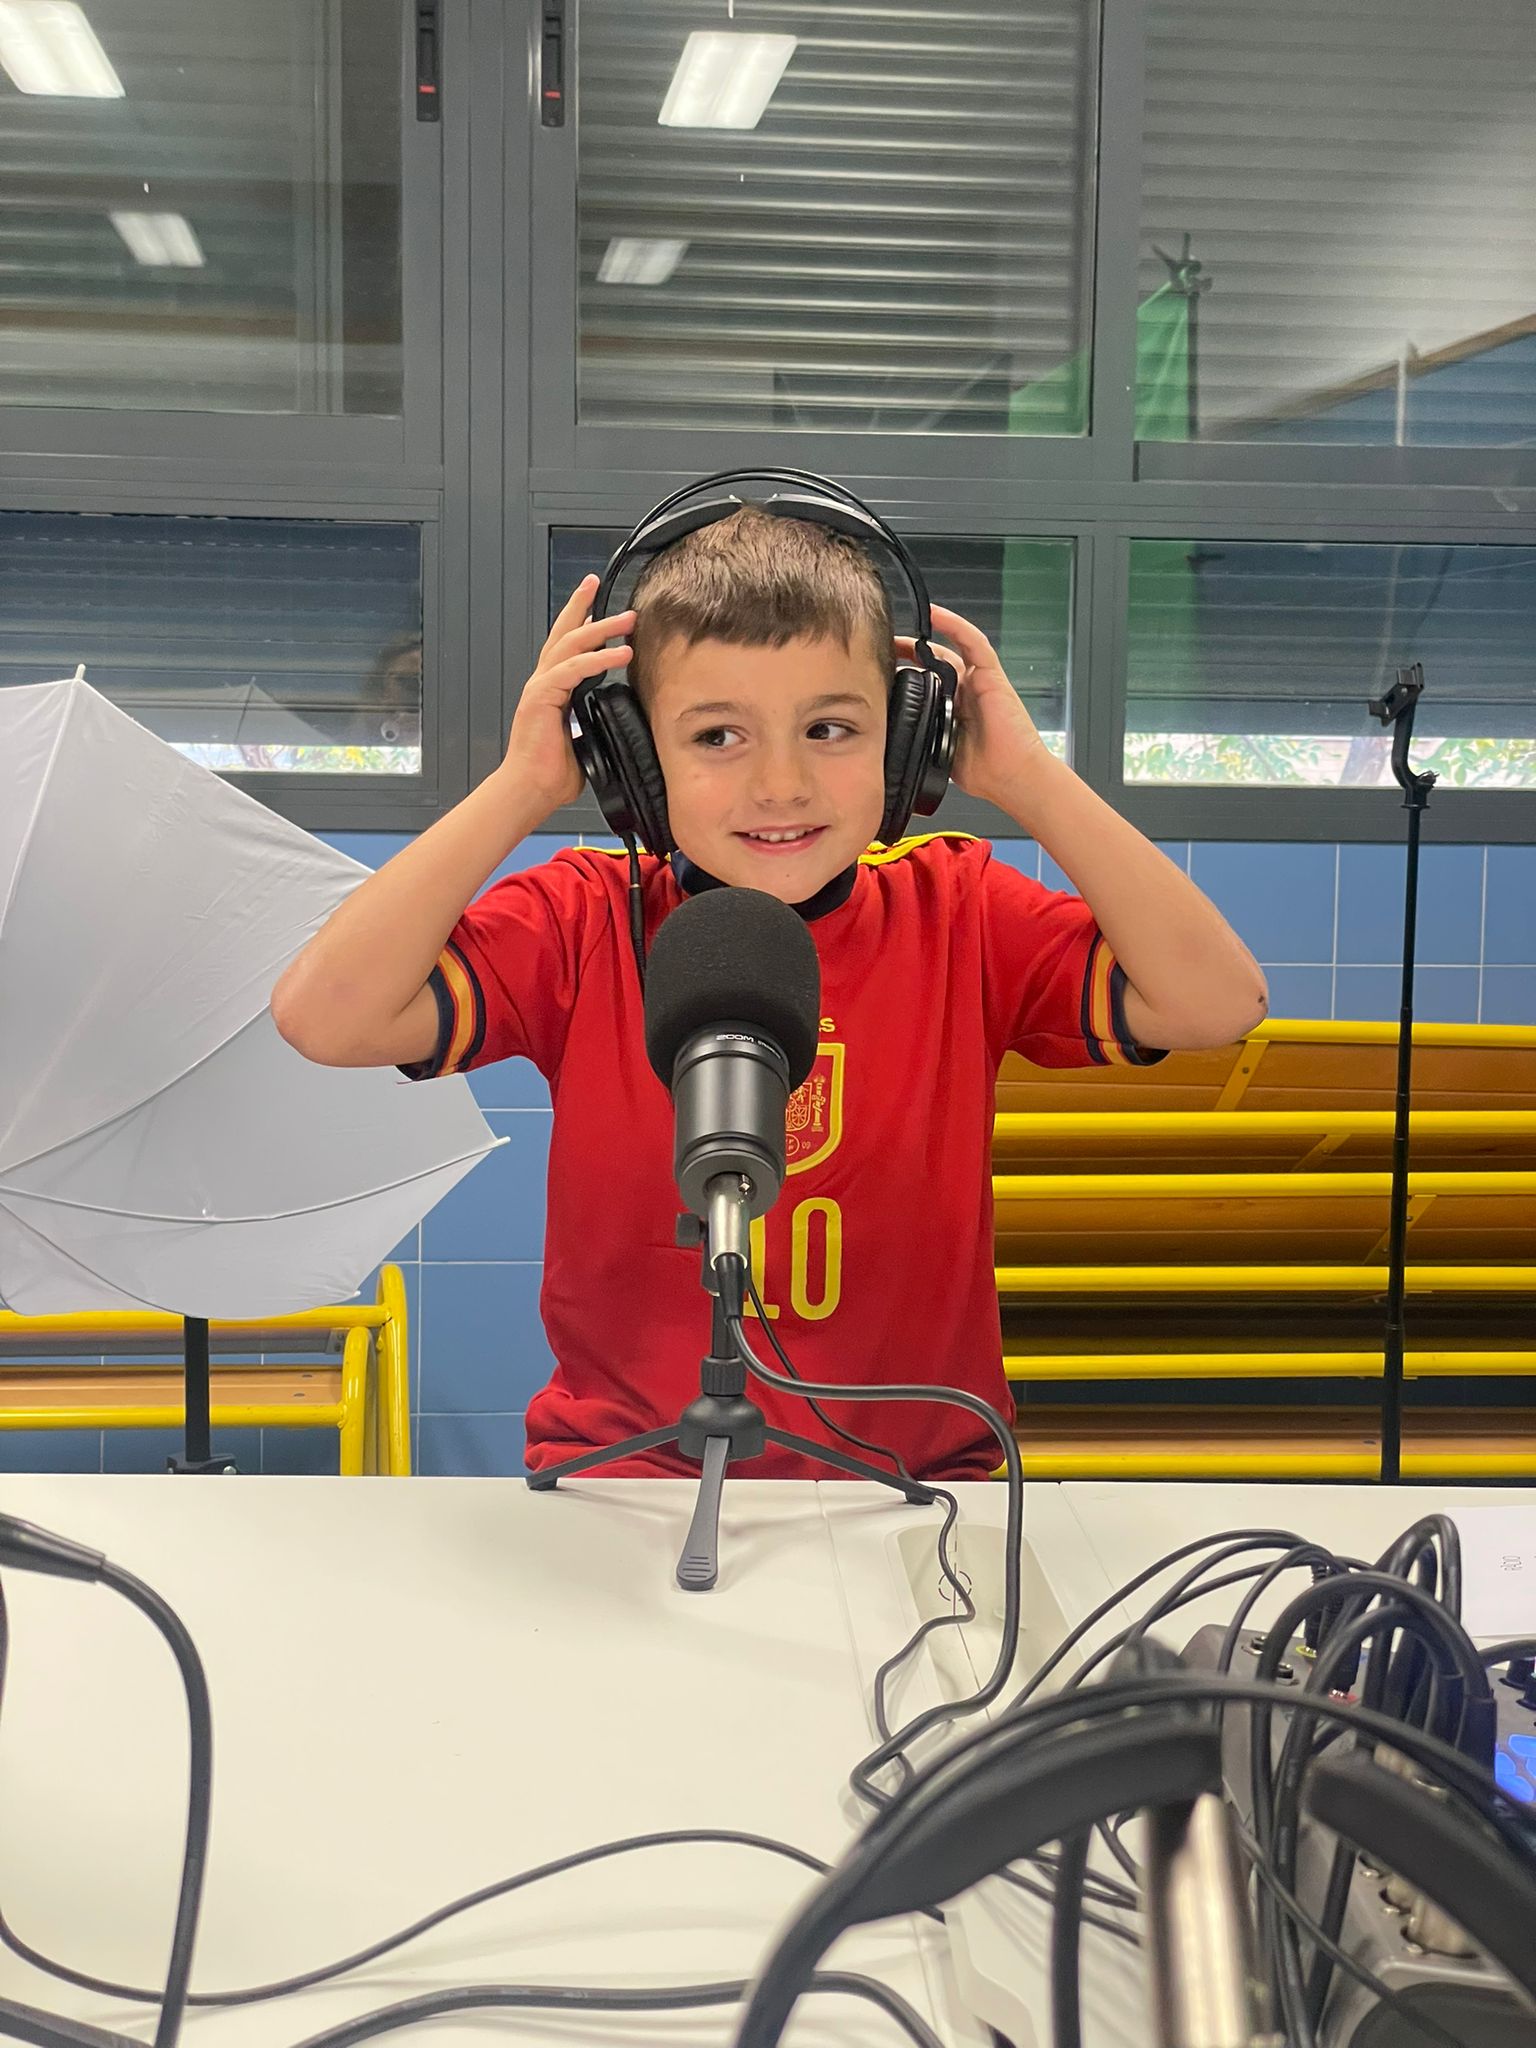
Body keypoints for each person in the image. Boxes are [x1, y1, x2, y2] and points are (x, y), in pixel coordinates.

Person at [273, 506, 1266, 1480]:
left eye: (831, 727)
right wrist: (522, 786)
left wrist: (1032, 778)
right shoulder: (583, 922)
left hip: (919, 1489)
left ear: (909, 743)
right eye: (717, 737)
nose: (782, 784)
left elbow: (1218, 1002)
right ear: (630, 761)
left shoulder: (960, 912)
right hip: (632, 1480)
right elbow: (326, 1015)